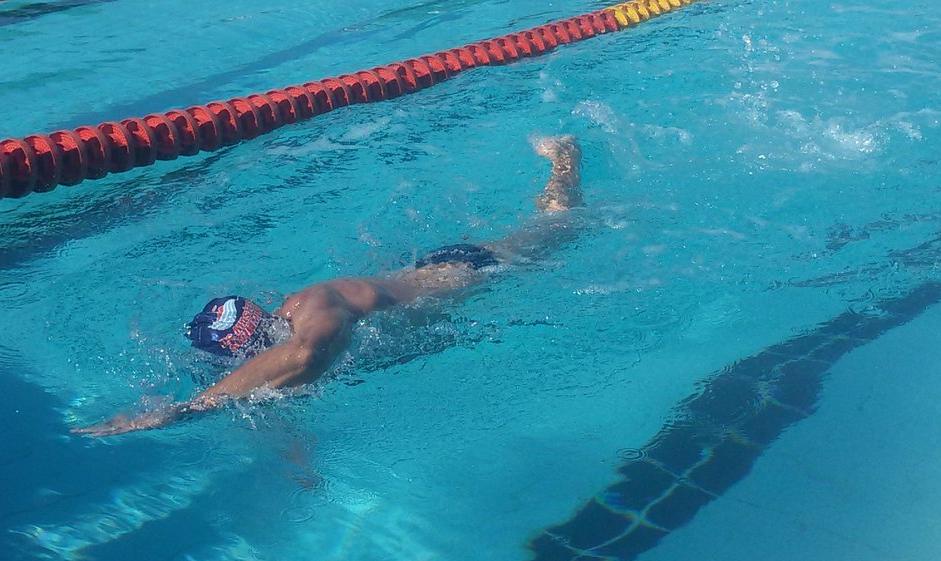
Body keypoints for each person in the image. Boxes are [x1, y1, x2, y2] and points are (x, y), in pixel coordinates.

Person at [75, 136, 583, 437]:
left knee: (564, 223)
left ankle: (566, 159)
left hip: (471, 271)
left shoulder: (316, 312)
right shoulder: (288, 325)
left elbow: (300, 359)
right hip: (422, 281)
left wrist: (187, 409)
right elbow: (279, 384)